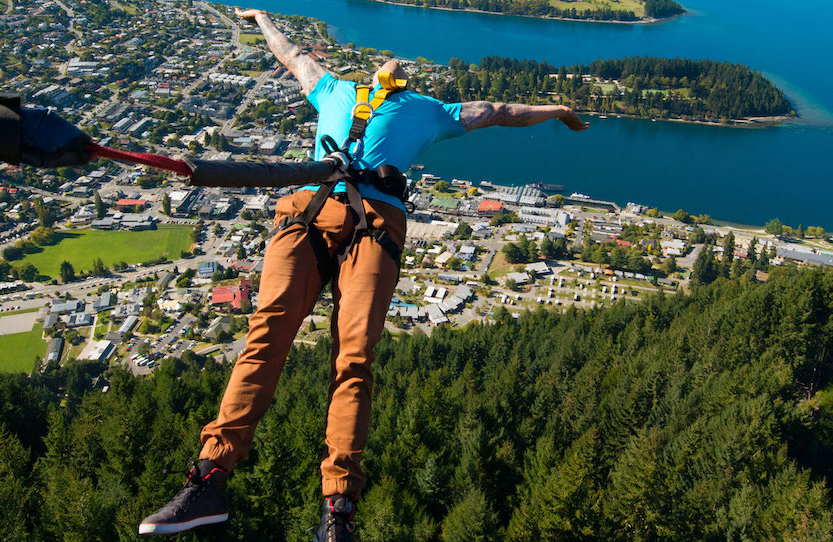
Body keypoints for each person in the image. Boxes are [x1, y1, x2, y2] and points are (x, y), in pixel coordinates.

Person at [137, 7, 588, 540]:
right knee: (272, 333)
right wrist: (259, 17)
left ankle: (337, 509)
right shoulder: (361, 95)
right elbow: (497, 110)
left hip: (354, 220)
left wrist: (557, 108)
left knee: (350, 354)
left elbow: (499, 109)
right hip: (323, 214)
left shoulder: (400, 103)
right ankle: (210, 477)